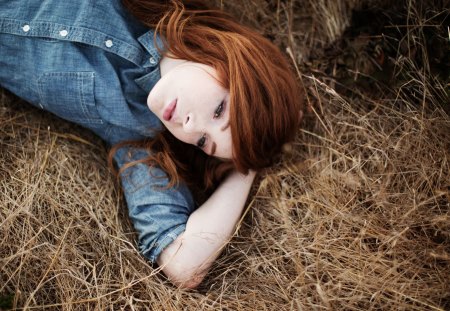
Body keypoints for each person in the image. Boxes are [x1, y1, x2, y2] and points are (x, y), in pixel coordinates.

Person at [0, 0, 303, 289]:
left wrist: (247, 167)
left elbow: (185, 267)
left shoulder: (142, 139)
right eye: (219, 111)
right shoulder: (154, 9)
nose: (190, 126)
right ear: (230, 58)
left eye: (203, 142)